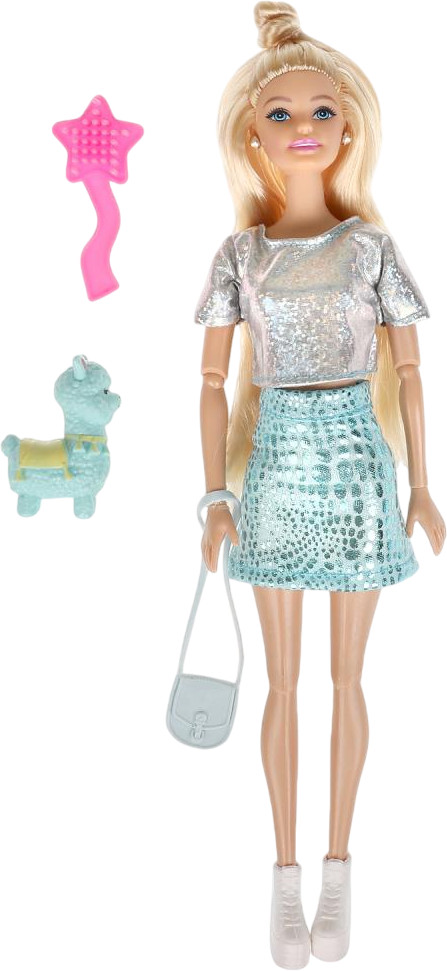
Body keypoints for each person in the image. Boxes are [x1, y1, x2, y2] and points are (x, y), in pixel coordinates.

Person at [195, 3, 446, 966]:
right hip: (271, 473)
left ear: (349, 128)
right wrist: (215, 494)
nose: (302, 128)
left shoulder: (370, 247)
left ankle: (338, 867)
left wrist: (420, 484)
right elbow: (211, 382)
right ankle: (283, 874)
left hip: (354, 471)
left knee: (346, 678)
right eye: (280, 114)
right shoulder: (241, 257)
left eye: (322, 112)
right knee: (281, 681)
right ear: (249, 137)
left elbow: (411, 372)